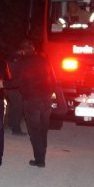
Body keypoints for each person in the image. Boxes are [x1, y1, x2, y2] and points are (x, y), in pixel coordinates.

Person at [15, 39, 55, 168]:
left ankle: (39, 160)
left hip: (32, 100)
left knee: (34, 130)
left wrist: (3, 84)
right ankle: (42, 156)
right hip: (46, 99)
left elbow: (18, 81)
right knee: (43, 130)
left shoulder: (23, 62)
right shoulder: (44, 60)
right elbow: (53, 78)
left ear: (22, 51)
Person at [3, 51, 26, 135]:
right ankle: (16, 129)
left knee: (13, 106)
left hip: (9, 86)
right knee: (18, 108)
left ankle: (11, 124)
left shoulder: (8, 62)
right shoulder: (20, 61)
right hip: (15, 87)